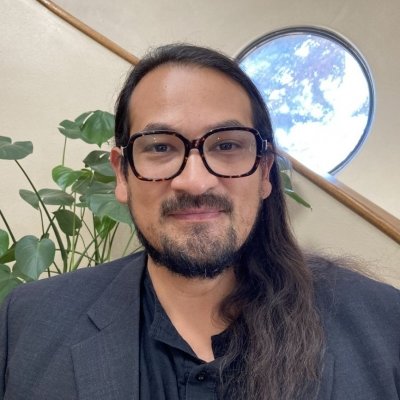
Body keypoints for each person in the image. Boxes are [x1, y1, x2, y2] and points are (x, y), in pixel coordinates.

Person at [0, 44, 399, 400]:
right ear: (122, 174)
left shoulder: (385, 325)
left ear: (263, 172)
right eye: (160, 147)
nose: (194, 181)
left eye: (226, 145)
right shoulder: (26, 322)